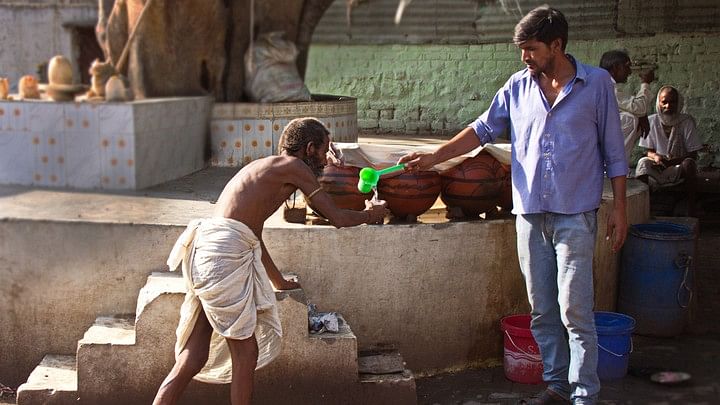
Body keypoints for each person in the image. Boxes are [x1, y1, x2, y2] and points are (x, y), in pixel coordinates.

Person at [399, 6, 627, 405]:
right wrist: (436, 157)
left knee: (576, 310)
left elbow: (615, 153)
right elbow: (482, 129)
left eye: (532, 49)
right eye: (521, 49)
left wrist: (621, 209)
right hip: (530, 215)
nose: (525, 57)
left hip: (576, 214)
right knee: (542, 309)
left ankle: (584, 394)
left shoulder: (597, 84)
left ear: (557, 45)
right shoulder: (518, 86)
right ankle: (557, 385)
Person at [152, 117, 388, 405]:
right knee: (246, 352)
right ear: (310, 148)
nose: (327, 159)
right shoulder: (295, 167)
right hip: (222, 256)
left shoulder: (270, 168)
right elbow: (336, 217)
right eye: (325, 150)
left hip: (208, 253)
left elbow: (254, 238)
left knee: (195, 354)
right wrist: (370, 215)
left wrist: (280, 282)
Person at [635, 85, 703, 214]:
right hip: (658, 166)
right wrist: (656, 157)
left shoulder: (686, 121)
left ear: (678, 103)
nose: (668, 106)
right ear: (658, 103)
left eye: (672, 102)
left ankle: (691, 206)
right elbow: (649, 151)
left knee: (689, 164)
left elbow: (693, 154)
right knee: (642, 163)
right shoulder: (651, 121)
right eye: (664, 102)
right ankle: (644, 206)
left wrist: (671, 162)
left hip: (678, 167)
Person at [599, 49, 655, 162]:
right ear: (616, 67)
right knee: (630, 119)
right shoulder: (608, 88)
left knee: (634, 117)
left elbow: (637, 109)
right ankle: (616, 163)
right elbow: (639, 107)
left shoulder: (604, 84)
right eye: (627, 67)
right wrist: (645, 84)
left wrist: (642, 115)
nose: (629, 72)